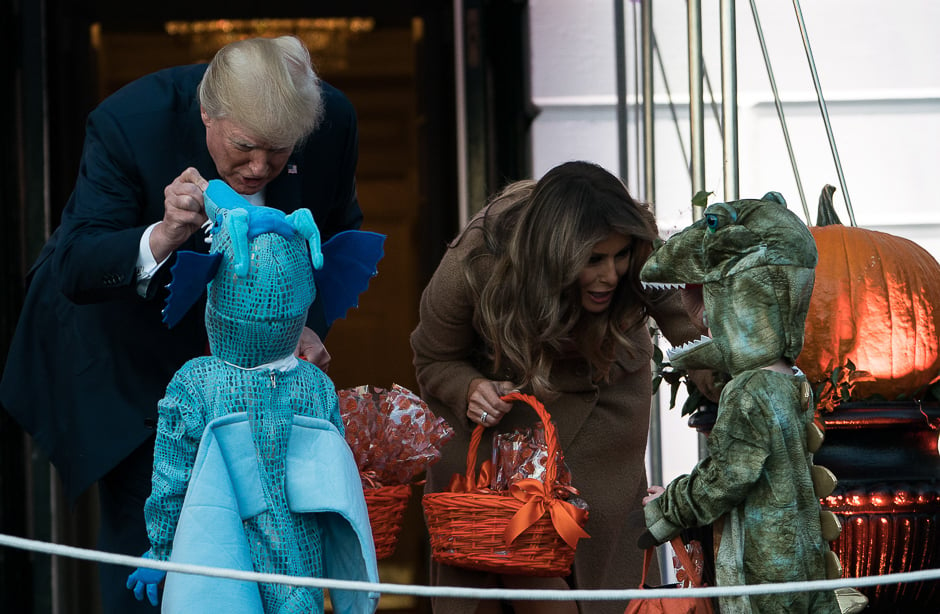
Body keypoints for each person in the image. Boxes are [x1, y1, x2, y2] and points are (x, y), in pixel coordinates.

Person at [0, 35, 362, 613]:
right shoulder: (130, 122)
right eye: (244, 147)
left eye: (278, 151)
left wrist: (299, 325)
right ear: (207, 115)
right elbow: (76, 264)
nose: (260, 167)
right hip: (133, 369)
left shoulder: (331, 118)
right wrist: (164, 235)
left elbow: (336, 234)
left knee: (269, 561)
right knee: (158, 564)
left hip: (263, 382)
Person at [410, 160, 718, 614]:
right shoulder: (478, 256)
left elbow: (683, 324)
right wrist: (469, 386)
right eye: (593, 260)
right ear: (551, 255)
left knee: (600, 556)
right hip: (503, 417)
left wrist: (731, 382)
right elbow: (432, 356)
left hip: (604, 392)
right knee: (509, 556)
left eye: (619, 256)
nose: (611, 275)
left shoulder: (637, 244)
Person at [126, 182, 379, 613]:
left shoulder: (196, 383)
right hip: (302, 571)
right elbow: (335, 482)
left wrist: (163, 550)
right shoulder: (315, 386)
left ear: (215, 287)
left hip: (219, 564)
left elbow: (172, 477)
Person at [638, 193, 842, 613]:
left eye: (719, 298)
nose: (708, 317)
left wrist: (667, 510)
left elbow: (726, 479)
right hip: (799, 569)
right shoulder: (791, 382)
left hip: (767, 579)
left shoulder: (750, 390)